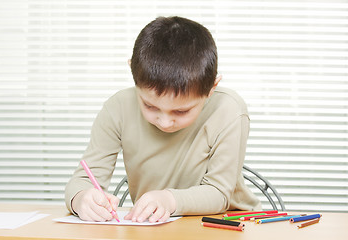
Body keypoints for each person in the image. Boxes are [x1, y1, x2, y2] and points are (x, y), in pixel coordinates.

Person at [65, 16, 261, 223]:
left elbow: (219, 193)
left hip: (231, 222)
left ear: (212, 88)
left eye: (181, 111)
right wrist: (81, 198)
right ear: (133, 73)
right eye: (150, 106)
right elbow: (84, 179)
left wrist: (168, 199)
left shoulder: (228, 109)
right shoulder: (118, 107)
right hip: (158, 226)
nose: (164, 122)